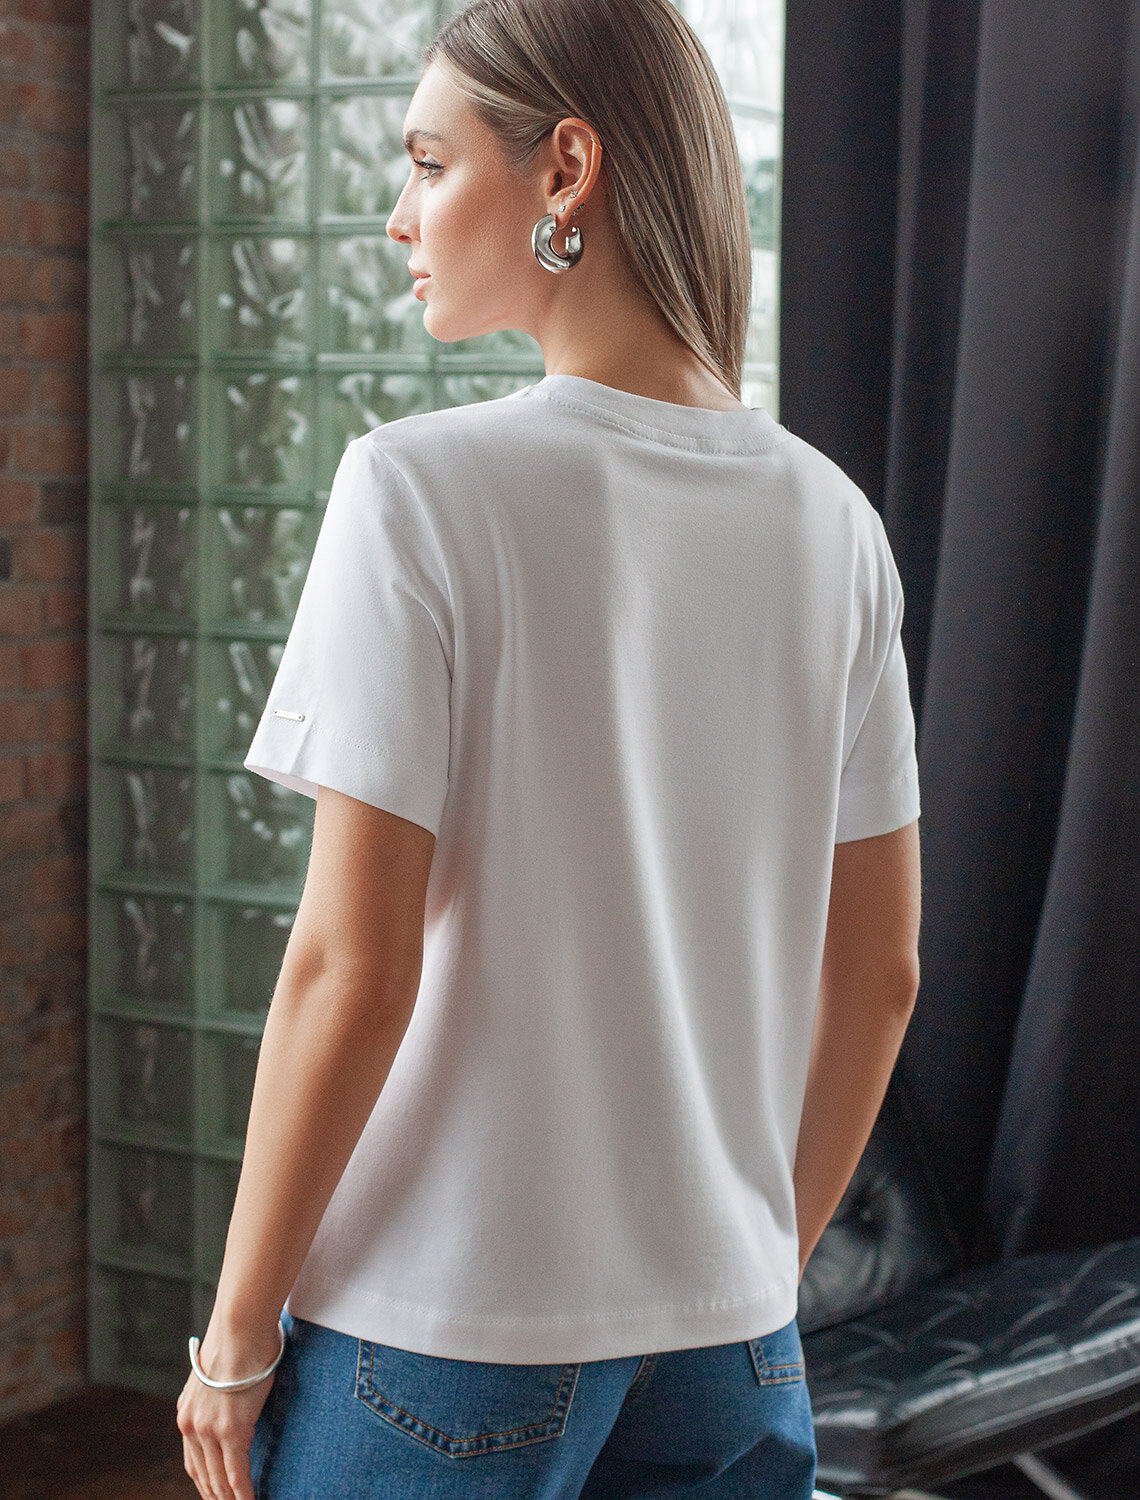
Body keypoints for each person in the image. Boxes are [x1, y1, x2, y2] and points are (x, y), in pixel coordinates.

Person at [175, 0, 922, 1495]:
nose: (398, 217)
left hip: (443, 1330)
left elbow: (350, 971)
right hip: (731, 1344)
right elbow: (882, 973)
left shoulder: (417, 492)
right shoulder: (835, 523)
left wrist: (235, 1339)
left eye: (429, 162)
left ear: (565, 169)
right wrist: (756, 1269)